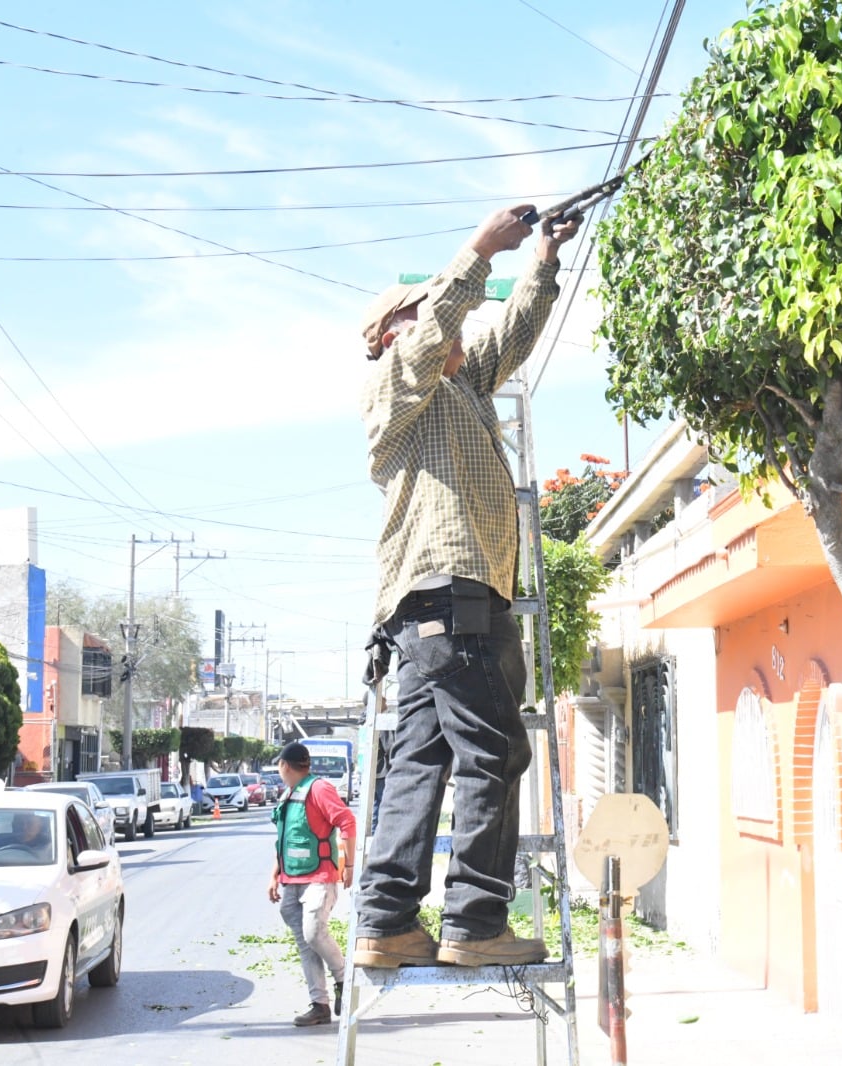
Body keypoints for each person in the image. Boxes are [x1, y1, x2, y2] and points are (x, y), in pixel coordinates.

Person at [353, 205, 579, 971]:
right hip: (451, 601)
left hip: (428, 614)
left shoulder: (463, 388)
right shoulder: (396, 388)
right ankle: (476, 920)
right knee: (496, 752)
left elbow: (511, 332)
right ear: (395, 336)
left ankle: (388, 920)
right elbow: (434, 329)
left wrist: (542, 260)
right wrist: (482, 249)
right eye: (428, 323)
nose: (451, 332)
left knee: (421, 762)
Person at [267, 741, 357, 1027]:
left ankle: (344, 978)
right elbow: (285, 839)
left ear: (284, 765)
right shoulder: (289, 793)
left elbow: (347, 822)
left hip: (320, 877)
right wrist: (274, 875)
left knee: (314, 933)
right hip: (291, 880)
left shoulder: (319, 789)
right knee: (306, 944)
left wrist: (350, 865)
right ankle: (319, 1005)